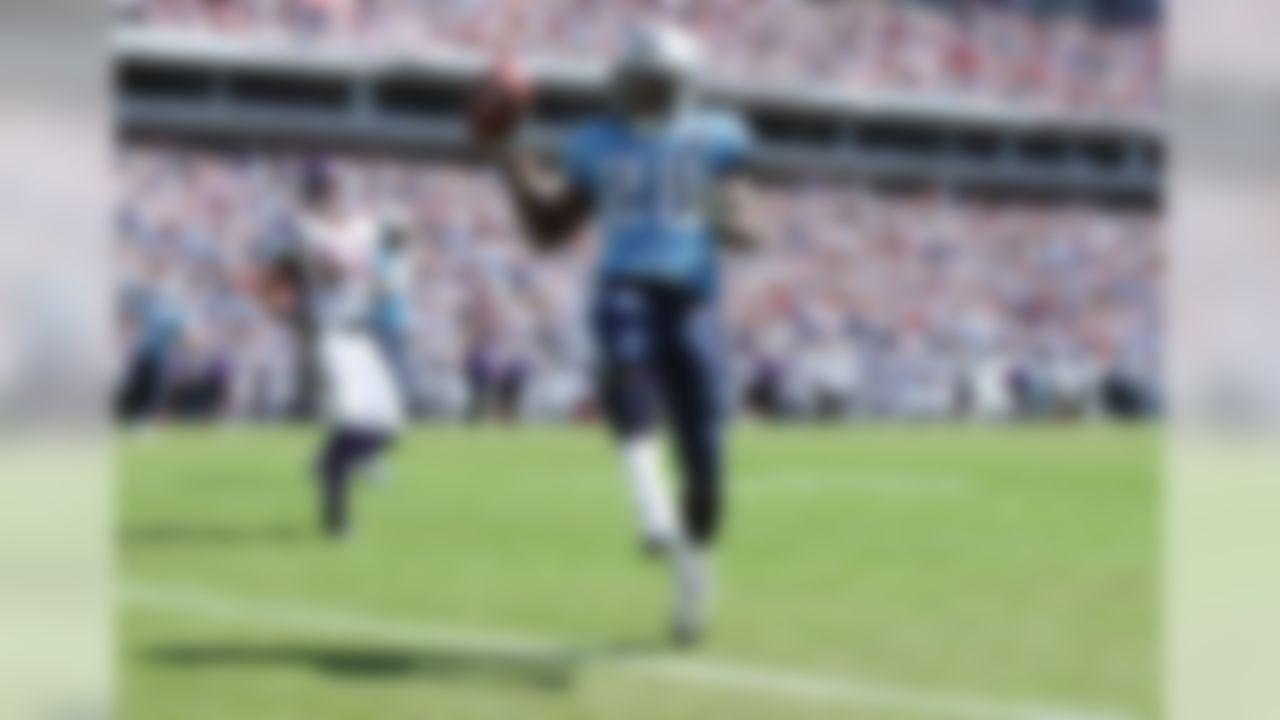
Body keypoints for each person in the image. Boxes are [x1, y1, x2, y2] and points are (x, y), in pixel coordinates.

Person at [477, 23, 757, 644]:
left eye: (657, 85)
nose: (644, 96)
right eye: (637, 83)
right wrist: (511, 162)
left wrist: (730, 220)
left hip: (693, 304)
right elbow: (548, 231)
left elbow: (749, 227)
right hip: (626, 283)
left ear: (685, 87)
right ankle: (651, 508)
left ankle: (692, 574)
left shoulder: (717, 139)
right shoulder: (597, 142)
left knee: (708, 474)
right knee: (624, 353)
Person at [254, 162, 406, 539]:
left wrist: (381, 264)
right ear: (313, 196)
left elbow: (394, 237)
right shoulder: (309, 229)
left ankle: (328, 462)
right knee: (353, 422)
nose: (334, 197)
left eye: (335, 189)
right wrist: (289, 313)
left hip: (360, 336)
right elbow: (323, 266)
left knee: (386, 429)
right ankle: (337, 517)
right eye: (326, 191)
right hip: (332, 336)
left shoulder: (352, 226)